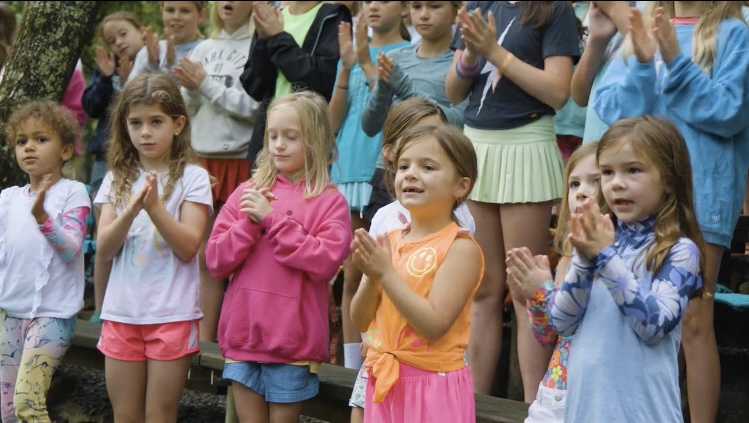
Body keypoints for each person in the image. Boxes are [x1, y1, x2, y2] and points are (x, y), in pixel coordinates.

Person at [593, 2, 749, 420]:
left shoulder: (734, 33)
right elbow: (613, 111)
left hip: (703, 197)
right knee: (643, 314)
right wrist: (645, 63)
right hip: (640, 198)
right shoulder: (643, 25)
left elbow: (730, 112)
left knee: (693, 321)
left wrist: (675, 60)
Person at [445, 1, 580, 399]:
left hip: (527, 141)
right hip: (476, 145)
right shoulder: (478, 5)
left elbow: (558, 92)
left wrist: (495, 51)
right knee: (482, 290)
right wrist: (472, 54)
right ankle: (472, 405)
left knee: (524, 291)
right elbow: (454, 91)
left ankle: (535, 407)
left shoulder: (554, 10)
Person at [205, 91, 352, 423]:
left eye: (290, 137)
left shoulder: (330, 202)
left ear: (315, 140)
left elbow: (325, 262)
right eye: (272, 136)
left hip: (292, 343)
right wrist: (249, 224)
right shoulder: (247, 192)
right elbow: (215, 260)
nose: (279, 145)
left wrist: (272, 220)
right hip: (243, 336)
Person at [548, 116, 705, 421]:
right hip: (585, 411)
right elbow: (562, 323)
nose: (617, 183)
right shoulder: (600, 242)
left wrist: (605, 257)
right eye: (607, 172)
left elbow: (653, 326)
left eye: (633, 170)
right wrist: (584, 261)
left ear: (669, 179)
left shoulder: (680, 251)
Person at [347, 98, 475, 423]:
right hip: (385, 375)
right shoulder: (390, 238)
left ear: (461, 185)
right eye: (404, 166)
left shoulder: (461, 247)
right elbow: (361, 320)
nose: (411, 175)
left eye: (427, 167)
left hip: (432, 386)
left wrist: (385, 275)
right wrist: (373, 279)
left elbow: (434, 325)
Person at [94, 73, 213, 422]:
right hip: (121, 315)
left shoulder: (193, 177)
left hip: (172, 315)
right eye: (136, 123)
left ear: (178, 124)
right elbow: (105, 249)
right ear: (125, 126)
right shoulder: (116, 178)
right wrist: (132, 209)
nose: (145, 132)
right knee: (125, 415)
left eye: (156, 121)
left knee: (160, 414)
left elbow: (188, 246)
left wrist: (155, 208)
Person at [329, 0, 410, 374]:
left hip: (384, 172)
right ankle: (351, 370)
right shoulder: (352, 52)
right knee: (353, 273)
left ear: (405, 7)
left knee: (388, 271)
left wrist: (365, 63)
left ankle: (384, 359)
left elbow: (395, 113)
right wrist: (348, 66)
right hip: (347, 170)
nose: (374, 6)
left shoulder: (410, 52)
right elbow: (333, 119)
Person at [174, 0, 260, 343]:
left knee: (242, 255)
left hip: (242, 160)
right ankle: (203, 342)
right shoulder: (204, 47)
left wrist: (205, 84)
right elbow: (189, 109)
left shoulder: (258, 46)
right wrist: (189, 88)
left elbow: (254, 108)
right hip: (202, 160)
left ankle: (238, 340)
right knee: (204, 255)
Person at [0, 101, 90, 423]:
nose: (29, 147)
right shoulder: (8, 199)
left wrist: (43, 219)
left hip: (53, 313)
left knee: (28, 402)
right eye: (21, 141)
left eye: (40, 139)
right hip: (11, 312)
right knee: (6, 411)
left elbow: (71, 249)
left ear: (65, 151)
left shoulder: (73, 193)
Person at [505, 141, 600, 423]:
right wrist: (531, 297)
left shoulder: (621, 254)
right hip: (558, 390)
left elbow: (577, 319)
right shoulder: (569, 255)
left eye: (595, 181)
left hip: (597, 392)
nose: (581, 191)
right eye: (574, 184)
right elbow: (550, 334)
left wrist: (542, 291)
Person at [82, 10, 147, 323]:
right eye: (111, 39)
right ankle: (100, 305)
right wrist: (107, 78)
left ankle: (131, 302)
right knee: (104, 235)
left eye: (123, 33)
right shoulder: (105, 69)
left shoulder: (153, 63)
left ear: (141, 31)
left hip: (141, 163)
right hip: (106, 162)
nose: (119, 42)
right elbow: (92, 107)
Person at [240, 1, 352, 164]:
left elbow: (323, 79)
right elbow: (254, 86)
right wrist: (264, 40)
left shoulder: (334, 15)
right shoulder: (272, 17)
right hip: (268, 143)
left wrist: (277, 38)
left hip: (309, 143)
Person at [130, 1, 208, 81]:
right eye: (170, 10)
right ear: (162, 12)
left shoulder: (209, 52)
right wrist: (151, 66)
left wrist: (172, 67)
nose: (176, 17)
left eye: (185, 11)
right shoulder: (148, 53)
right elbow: (131, 87)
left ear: (201, 16)